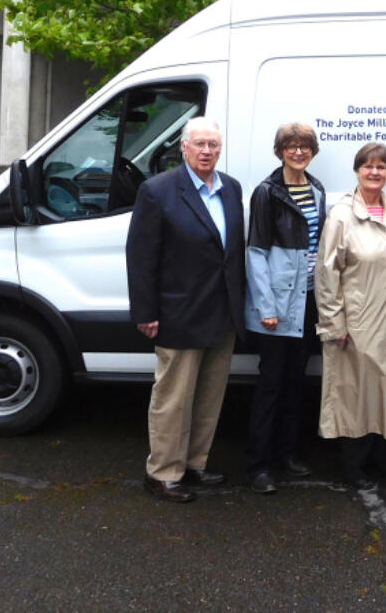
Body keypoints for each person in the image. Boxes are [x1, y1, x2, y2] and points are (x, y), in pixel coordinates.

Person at [126, 117, 245, 503]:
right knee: (174, 398)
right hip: (179, 312)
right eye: (200, 144)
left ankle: (194, 464)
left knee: (210, 395)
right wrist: (145, 312)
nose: (207, 151)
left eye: (213, 144)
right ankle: (162, 472)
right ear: (184, 147)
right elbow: (141, 258)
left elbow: (232, 255)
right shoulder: (158, 191)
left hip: (222, 311)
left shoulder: (231, 190)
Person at [316, 142, 386, 490]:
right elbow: (327, 274)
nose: (375, 172)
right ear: (357, 171)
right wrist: (333, 323)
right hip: (355, 323)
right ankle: (354, 466)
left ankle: (382, 460)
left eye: (382, 167)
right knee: (354, 396)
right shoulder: (341, 216)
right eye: (368, 166)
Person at [243, 122, 325, 494]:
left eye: (304, 146)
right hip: (276, 304)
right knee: (270, 385)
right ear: (280, 151)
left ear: (312, 151)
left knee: (296, 383)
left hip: (306, 302)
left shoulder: (317, 189)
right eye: (290, 146)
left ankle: (287, 456)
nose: (298, 152)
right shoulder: (267, 192)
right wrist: (266, 306)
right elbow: (257, 252)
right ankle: (259, 466)